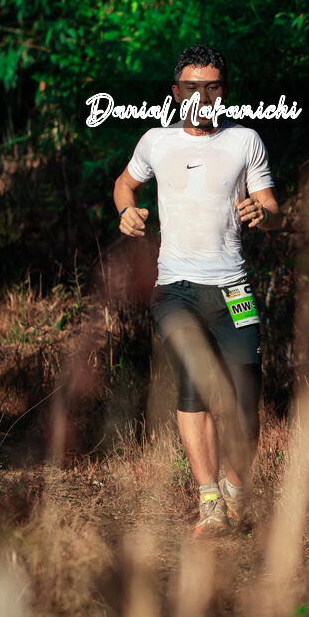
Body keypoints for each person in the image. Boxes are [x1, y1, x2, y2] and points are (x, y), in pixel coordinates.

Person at [113, 45, 281, 535]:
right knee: (195, 386)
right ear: (175, 93)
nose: (202, 98)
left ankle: (234, 491)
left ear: (224, 93)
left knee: (246, 401)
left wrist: (263, 213)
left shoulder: (245, 140)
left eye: (212, 88)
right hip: (175, 290)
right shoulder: (156, 141)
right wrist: (126, 211)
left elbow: (273, 209)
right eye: (191, 88)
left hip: (234, 289)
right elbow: (124, 184)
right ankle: (210, 502)